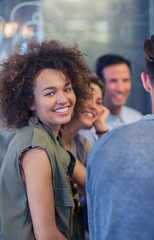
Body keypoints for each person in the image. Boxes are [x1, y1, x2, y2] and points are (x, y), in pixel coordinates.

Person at [0, 40, 91, 240]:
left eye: (67, 89)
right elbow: (47, 235)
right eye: (50, 93)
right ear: (30, 102)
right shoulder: (37, 149)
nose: (63, 99)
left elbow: (92, 183)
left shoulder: (52, 137)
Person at [86, 33, 154, 240]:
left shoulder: (129, 123)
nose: (120, 87)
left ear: (145, 81)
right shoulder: (88, 132)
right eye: (113, 81)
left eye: (125, 80)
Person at [61, 73, 109, 239]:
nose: (94, 106)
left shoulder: (80, 143)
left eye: (99, 102)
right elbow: (94, 187)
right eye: (87, 97)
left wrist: (101, 126)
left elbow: (108, 182)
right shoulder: (54, 141)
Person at [79, 54, 142, 145]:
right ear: (100, 84)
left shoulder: (137, 118)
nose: (120, 89)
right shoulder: (87, 128)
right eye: (113, 81)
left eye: (125, 80)